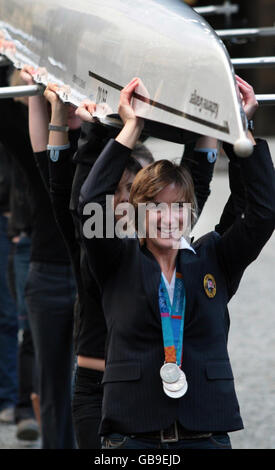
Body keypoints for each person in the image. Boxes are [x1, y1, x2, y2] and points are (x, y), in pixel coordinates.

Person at [78, 77, 275, 449]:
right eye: (156, 208)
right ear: (138, 212)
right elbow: (91, 200)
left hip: (205, 433)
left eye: (178, 207)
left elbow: (264, 214)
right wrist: (131, 129)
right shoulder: (116, 259)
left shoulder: (214, 256)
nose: (169, 218)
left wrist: (241, 132)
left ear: (190, 212)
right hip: (134, 438)